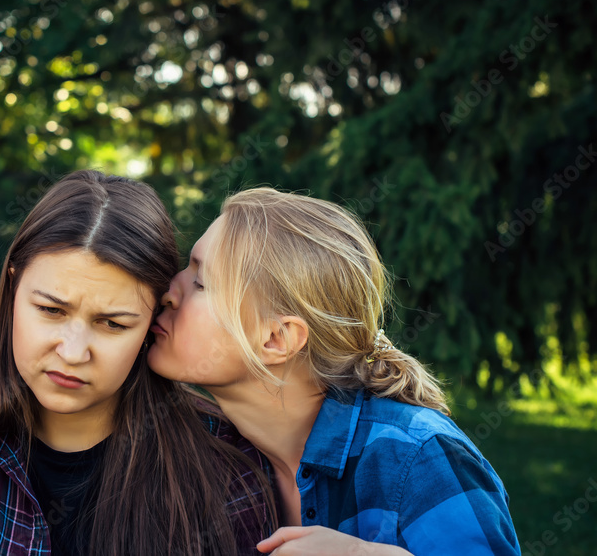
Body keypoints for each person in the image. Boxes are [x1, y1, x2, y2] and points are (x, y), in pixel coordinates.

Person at [0, 170, 277, 556]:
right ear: (13, 287)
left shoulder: (228, 463)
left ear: (152, 323)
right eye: (51, 310)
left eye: (112, 323)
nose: (73, 353)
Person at [148, 187, 520, 555]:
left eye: (200, 283)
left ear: (276, 339)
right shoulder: (212, 454)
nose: (168, 291)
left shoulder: (419, 459)